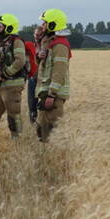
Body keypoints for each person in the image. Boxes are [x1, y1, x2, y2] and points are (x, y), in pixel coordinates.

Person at [0, 13, 27, 138]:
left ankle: (17, 138)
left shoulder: (17, 42)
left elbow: (20, 61)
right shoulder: (1, 42)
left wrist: (6, 73)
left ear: (9, 27)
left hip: (13, 84)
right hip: (1, 83)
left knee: (13, 113)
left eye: (1, 26)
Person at [35, 8, 72, 143]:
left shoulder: (60, 45)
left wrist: (52, 94)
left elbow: (59, 71)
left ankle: (55, 158)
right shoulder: (49, 43)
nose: (42, 26)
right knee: (42, 130)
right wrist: (38, 56)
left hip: (54, 95)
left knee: (52, 130)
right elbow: (43, 67)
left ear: (53, 24)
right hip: (46, 92)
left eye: (45, 23)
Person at [26, 26, 44, 123]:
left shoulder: (47, 47)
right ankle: (32, 124)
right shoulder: (30, 46)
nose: (37, 36)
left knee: (44, 105)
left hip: (44, 79)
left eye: (39, 34)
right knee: (32, 105)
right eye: (36, 34)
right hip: (33, 78)